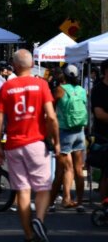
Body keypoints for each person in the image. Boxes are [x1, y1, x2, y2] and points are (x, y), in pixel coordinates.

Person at [0, 49, 60, 242]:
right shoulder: (41, 85)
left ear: (14, 66)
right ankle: (38, 219)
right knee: (43, 188)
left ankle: (29, 235)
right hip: (36, 143)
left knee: (22, 191)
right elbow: (51, 117)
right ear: (32, 65)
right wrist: (55, 141)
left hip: (14, 144)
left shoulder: (7, 87)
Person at [49, 65, 87, 212]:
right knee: (79, 169)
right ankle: (80, 202)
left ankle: (53, 202)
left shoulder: (60, 90)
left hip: (65, 133)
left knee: (62, 170)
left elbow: (49, 108)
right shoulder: (82, 90)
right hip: (80, 132)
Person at [91, 59, 108, 201]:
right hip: (104, 137)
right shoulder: (98, 89)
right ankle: (105, 206)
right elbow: (99, 114)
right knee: (106, 174)